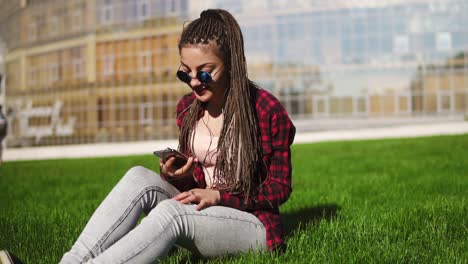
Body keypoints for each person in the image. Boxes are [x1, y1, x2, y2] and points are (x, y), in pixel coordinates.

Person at [57, 9, 295, 263]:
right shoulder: (187, 109)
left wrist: (220, 196)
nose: (194, 82)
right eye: (185, 72)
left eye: (205, 72)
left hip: (253, 222)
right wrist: (179, 175)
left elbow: (279, 189)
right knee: (138, 177)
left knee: (173, 213)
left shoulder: (266, 109)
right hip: (204, 214)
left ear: (232, 64)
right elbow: (195, 186)